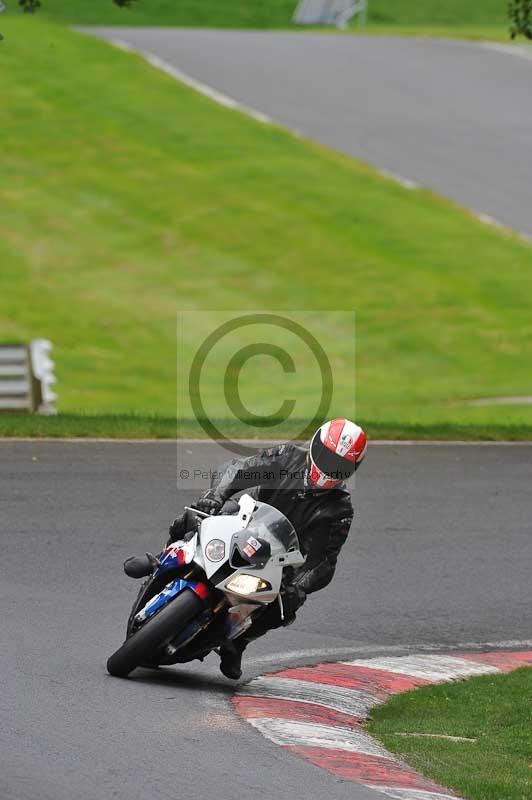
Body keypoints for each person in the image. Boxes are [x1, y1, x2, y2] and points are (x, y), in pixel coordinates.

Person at [125, 418, 367, 680]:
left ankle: (238, 643)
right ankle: (160, 559)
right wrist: (215, 496)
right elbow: (239, 469)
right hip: (246, 520)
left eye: (340, 466)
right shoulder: (287, 456)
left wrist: (298, 586)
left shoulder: (339, 510)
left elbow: (324, 562)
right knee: (196, 516)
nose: (330, 468)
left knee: (285, 607)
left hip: (280, 560)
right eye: (327, 457)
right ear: (315, 446)